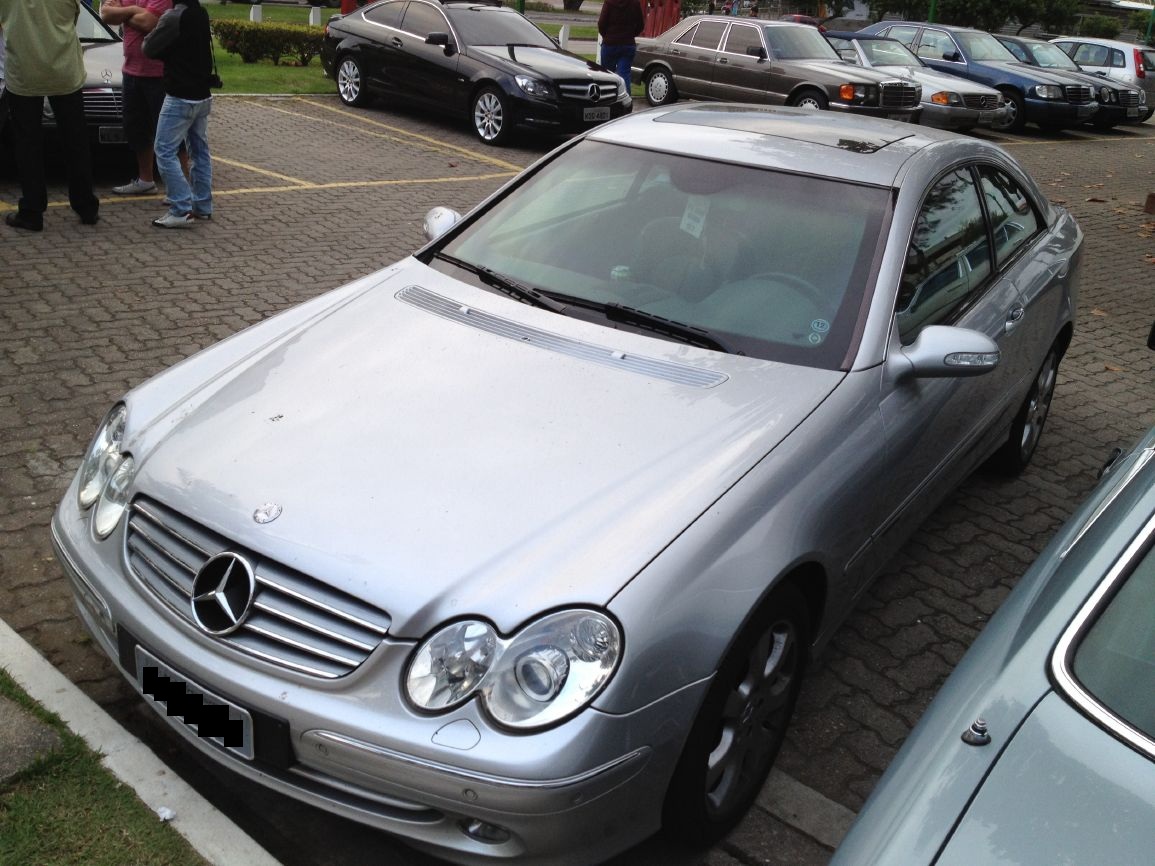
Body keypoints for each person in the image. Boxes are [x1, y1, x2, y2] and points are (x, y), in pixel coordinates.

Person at [0, 0, 100, 232]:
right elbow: (75, 17)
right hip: (65, 70)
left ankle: (32, 211)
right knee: (76, 141)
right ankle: (86, 206)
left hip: (24, 72)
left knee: (28, 145)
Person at [143, 0, 213, 228]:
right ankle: (202, 205)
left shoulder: (173, 17)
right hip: (202, 94)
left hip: (180, 96)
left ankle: (181, 207)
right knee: (199, 151)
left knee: (163, 150)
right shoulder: (200, 13)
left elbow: (148, 48)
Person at [101, 0, 173, 197]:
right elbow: (106, 14)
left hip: (158, 73)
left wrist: (125, 12)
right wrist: (135, 12)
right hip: (131, 71)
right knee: (136, 129)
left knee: (169, 133)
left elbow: (149, 23)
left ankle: (179, 189)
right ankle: (146, 180)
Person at [598, 0, 644, 90]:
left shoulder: (609, 2)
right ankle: (625, 100)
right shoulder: (635, 3)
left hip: (610, 44)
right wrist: (631, 34)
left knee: (607, 75)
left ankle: (607, 98)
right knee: (624, 75)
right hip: (628, 44)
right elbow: (640, 25)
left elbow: (601, 23)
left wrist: (607, 36)